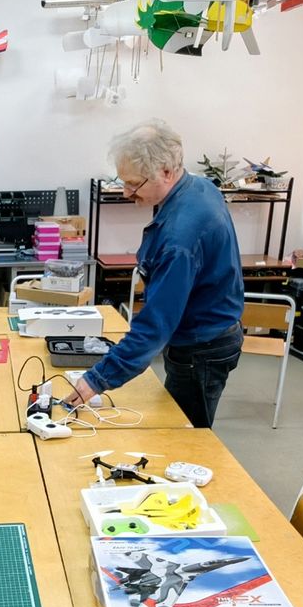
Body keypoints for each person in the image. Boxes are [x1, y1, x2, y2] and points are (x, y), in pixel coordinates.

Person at [66, 119, 244, 428]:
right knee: (177, 424)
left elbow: (155, 326)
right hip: (207, 333)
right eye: (123, 181)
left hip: (201, 347)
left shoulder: (179, 240)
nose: (126, 193)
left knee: (187, 435)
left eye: (134, 184)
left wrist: (96, 380)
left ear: (166, 172)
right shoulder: (199, 187)